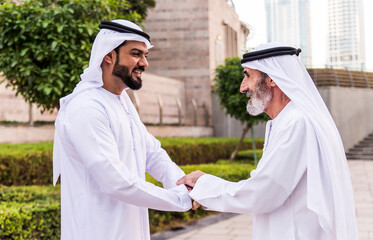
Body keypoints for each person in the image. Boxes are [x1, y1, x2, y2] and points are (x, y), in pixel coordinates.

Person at [177, 42, 358, 240]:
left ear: (271, 78)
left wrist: (203, 185)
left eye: (247, 76)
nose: (242, 87)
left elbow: (263, 194)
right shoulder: (286, 121)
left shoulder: (296, 123)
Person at [52, 19, 192, 240]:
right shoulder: (86, 107)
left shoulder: (122, 101)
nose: (144, 63)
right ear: (109, 55)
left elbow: (153, 154)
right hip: (96, 232)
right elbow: (114, 181)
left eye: (146, 55)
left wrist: (184, 185)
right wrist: (179, 200)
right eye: (136, 54)